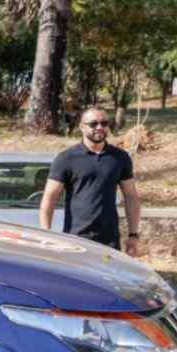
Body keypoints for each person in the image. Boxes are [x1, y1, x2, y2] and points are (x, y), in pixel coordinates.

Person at [38, 107, 141, 254]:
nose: (99, 127)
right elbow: (49, 197)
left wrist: (133, 235)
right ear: (82, 126)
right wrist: (46, 234)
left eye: (104, 123)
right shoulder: (66, 158)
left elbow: (131, 196)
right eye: (93, 124)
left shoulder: (120, 158)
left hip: (109, 240)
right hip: (75, 239)